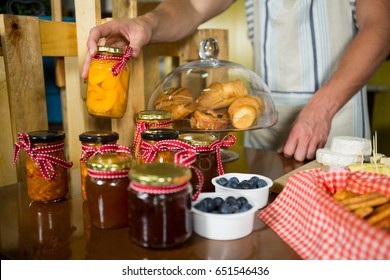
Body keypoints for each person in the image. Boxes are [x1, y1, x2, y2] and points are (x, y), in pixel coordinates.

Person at [81, 0, 390, 162]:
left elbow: (381, 27)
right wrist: (145, 23)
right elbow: (191, 5)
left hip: (337, 130)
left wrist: (322, 107)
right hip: (264, 135)